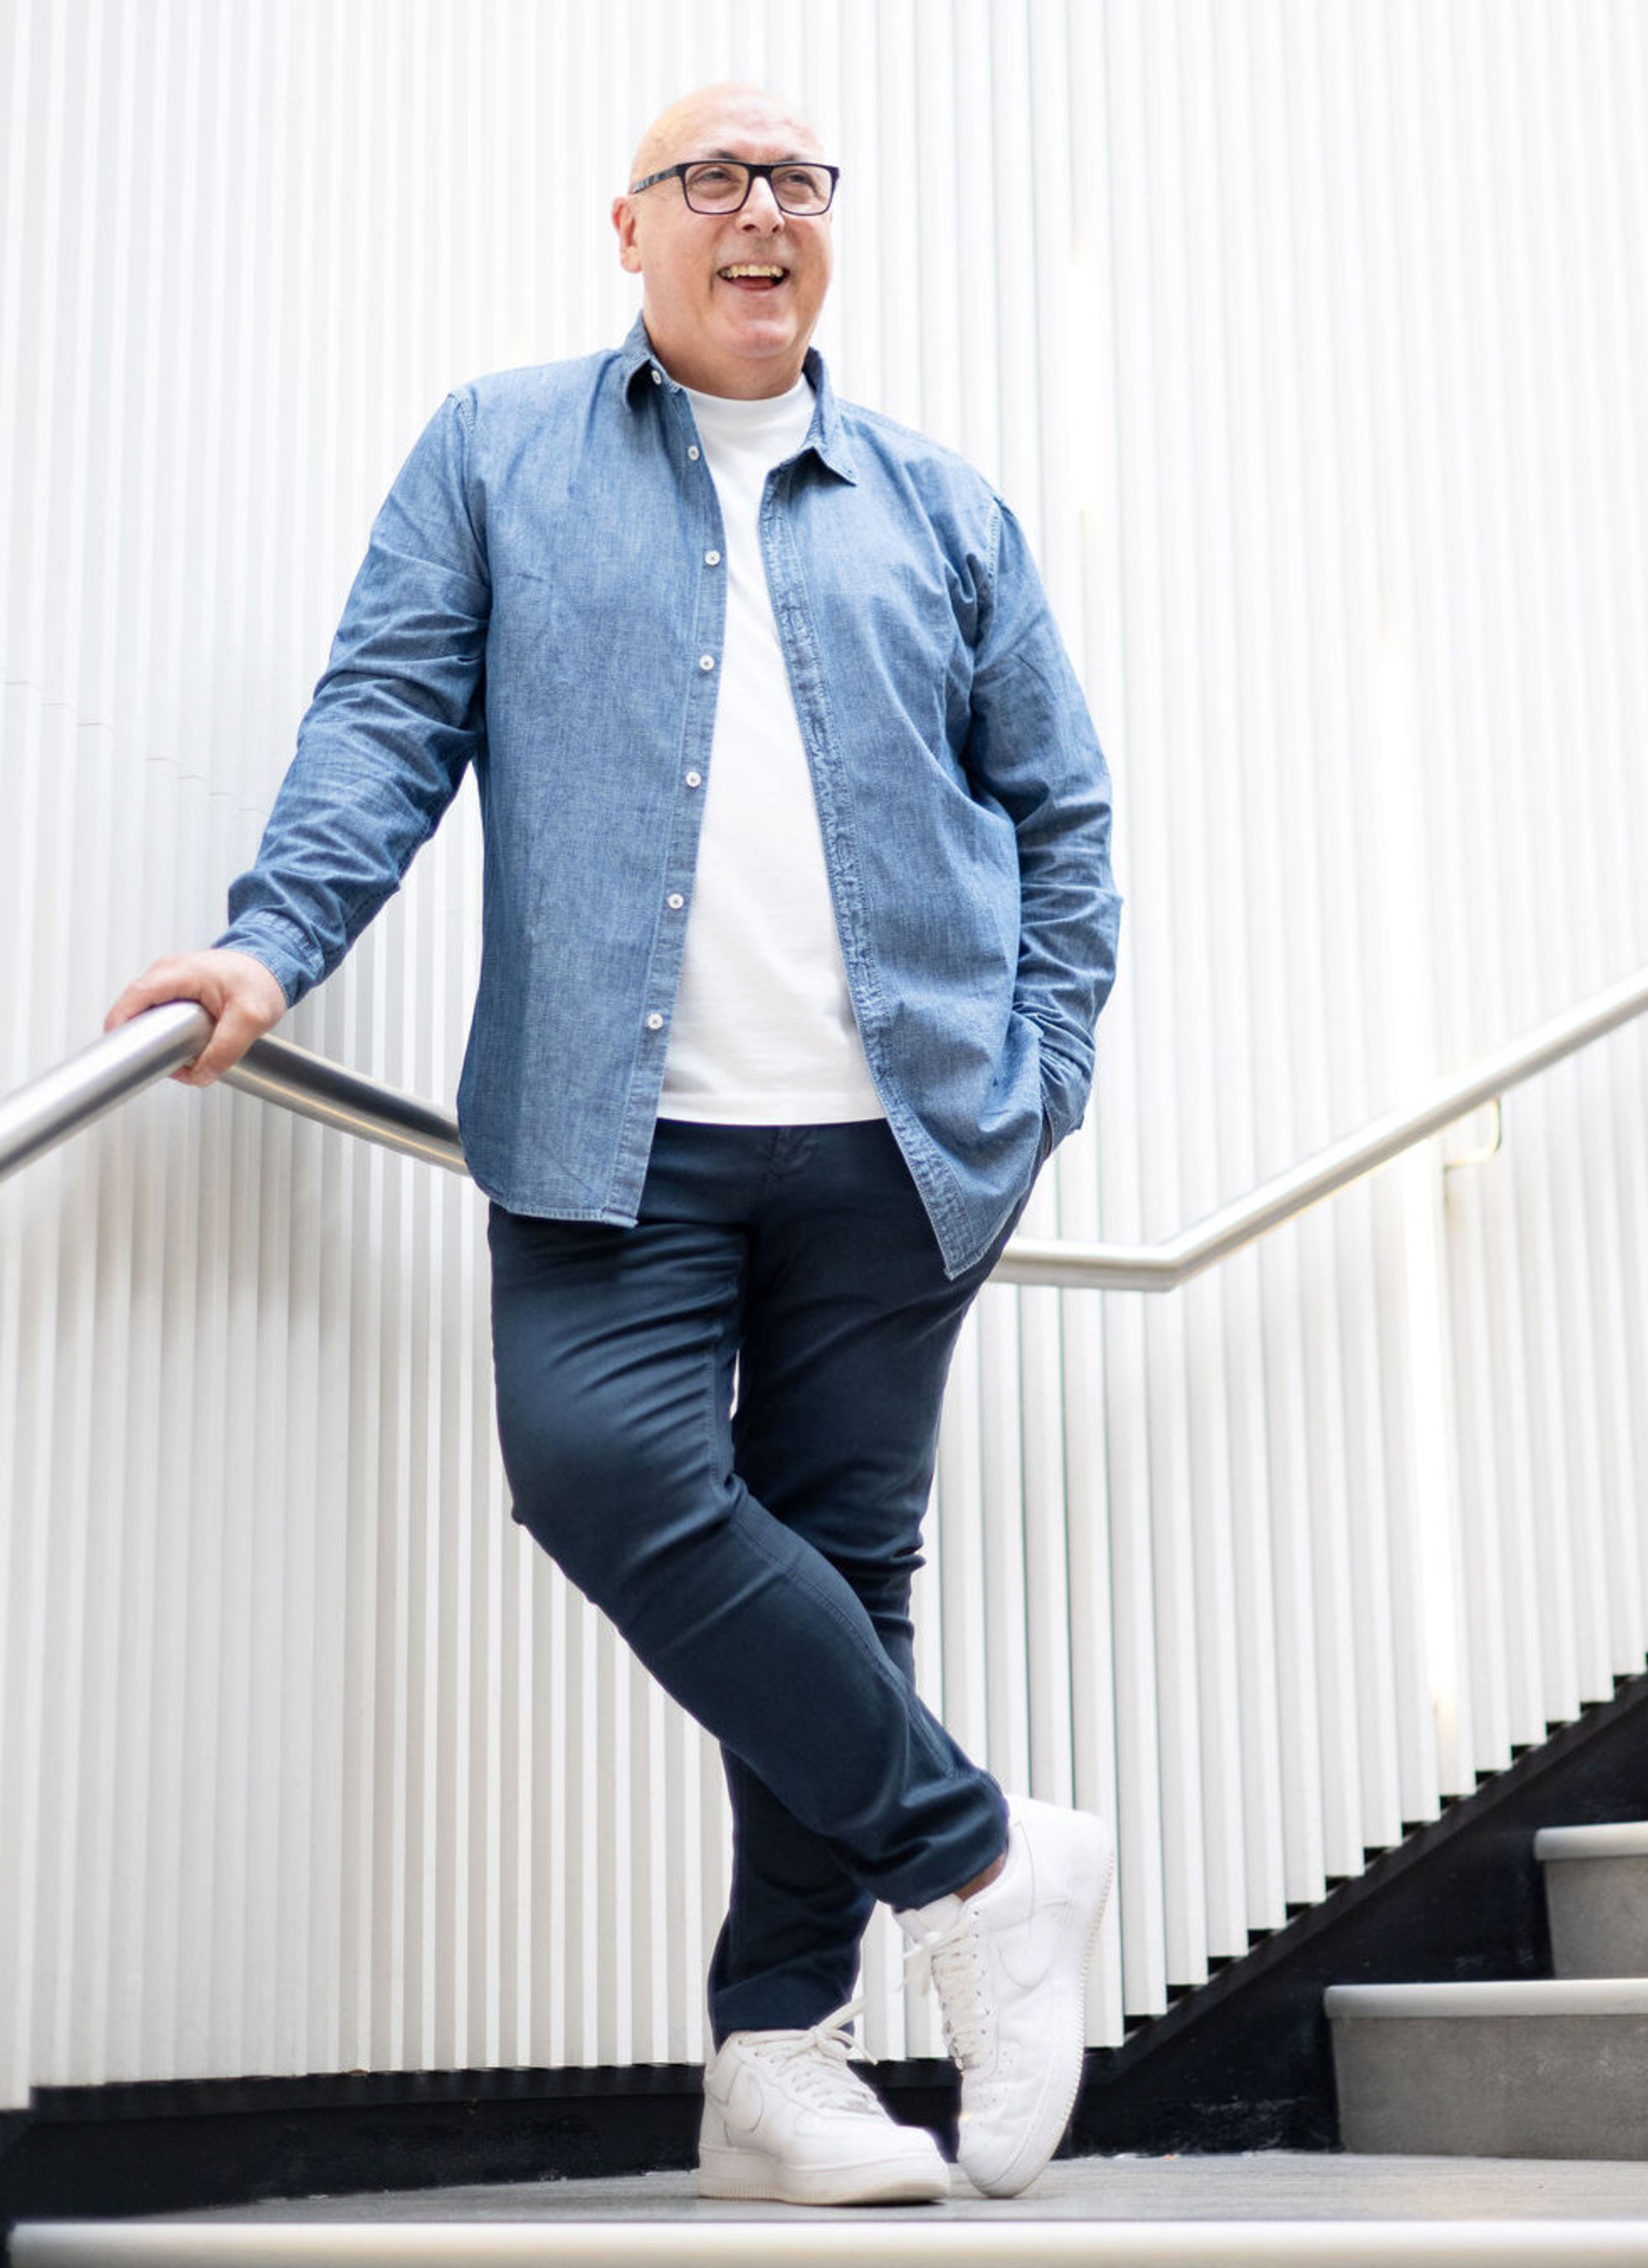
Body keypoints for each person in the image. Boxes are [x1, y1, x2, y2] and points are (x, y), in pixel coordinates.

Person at [106, 83, 1122, 2208]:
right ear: (629, 226)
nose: (761, 214)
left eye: (797, 182)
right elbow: (386, 717)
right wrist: (271, 943)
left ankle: (775, 2062)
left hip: (902, 1146)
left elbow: (1059, 812)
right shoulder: (498, 453)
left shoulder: (939, 505)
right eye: (712, 179)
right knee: (597, 1469)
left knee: (837, 1581)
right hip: (610, 1140)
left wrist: (1037, 1080)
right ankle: (981, 1863)